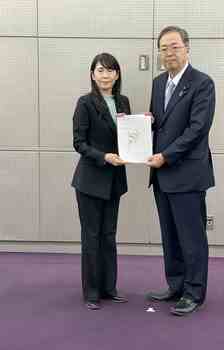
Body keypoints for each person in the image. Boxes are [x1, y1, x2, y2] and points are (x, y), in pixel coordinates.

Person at [147, 26, 216, 316]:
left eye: (174, 46)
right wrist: (140, 125)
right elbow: (160, 123)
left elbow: (197, 130)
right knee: (170, 235)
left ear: (187, 47)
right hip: (162, 175)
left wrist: (166, 155)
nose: (169, 53)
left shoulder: (202, 83)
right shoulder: (158, 82)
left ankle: (193, 292)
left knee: (192, 237)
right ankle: (175, 284)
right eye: (163, 48)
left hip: (187, 173)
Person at [71, 53, 131, 310]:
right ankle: (92, 292)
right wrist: (103, 156)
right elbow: (79, 143)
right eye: (100, 70)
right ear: (92, 75)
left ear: (117, 74)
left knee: (109, 235)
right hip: (90, 180)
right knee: (92, 236)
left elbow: (129, 135)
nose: (105, 75)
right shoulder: (84, 103)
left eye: (110, 70)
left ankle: (109, 288)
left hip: (114, 180)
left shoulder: (123, 101)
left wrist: (146, 125)